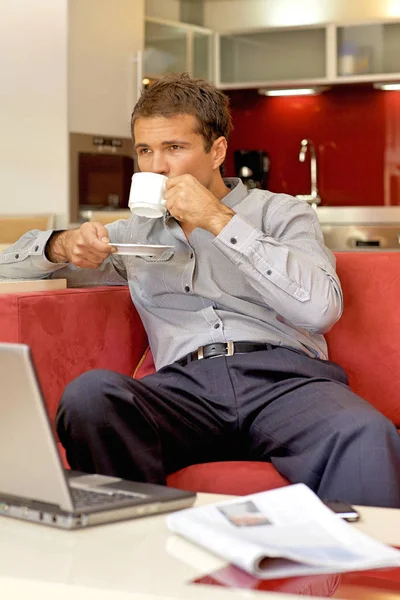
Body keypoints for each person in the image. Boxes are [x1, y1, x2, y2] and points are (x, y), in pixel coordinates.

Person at [1, 73, 399, 507]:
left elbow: (320, 309)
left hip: (286, 382)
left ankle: (366, 575)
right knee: (91, 397)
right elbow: (7, 265)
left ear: (217, 151)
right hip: (184, 391)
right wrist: (62, 244)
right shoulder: (135, 233)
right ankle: (133, 552)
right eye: (145, 151)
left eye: (174, 148)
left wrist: (218, 219)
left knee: (363, 433)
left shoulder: (282, 214)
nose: (155, 167)